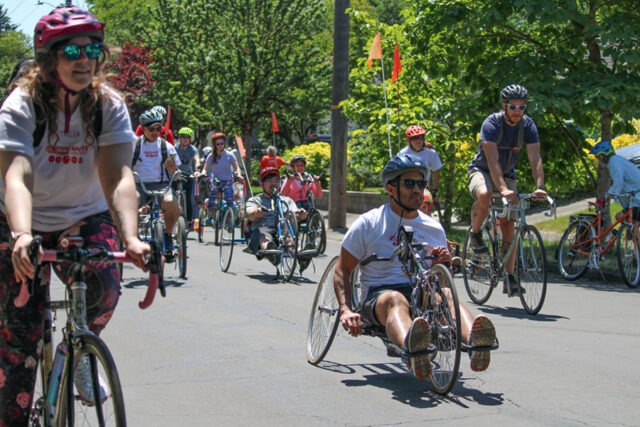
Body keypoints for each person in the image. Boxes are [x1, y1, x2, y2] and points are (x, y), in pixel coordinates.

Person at [0, 7, 149, 424]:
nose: (84, 59)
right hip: (20, 218)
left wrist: (133, 239)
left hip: (82, 216)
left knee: (104, 286)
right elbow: (16, 175)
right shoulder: (21, 105)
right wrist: (22, 234)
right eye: (71, 50)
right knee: (18, 352)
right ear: (49, 57)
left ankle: (82, 350)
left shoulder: (108, 105)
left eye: (92, 49)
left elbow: (119, 176)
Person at [333, 153, 497, 381]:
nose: (418, 190)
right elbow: (343, 270)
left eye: (422, 184)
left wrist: (441, 266)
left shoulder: (433, 228)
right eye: (409, 183)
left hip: (421, 293)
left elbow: (438, 282)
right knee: (395, 300)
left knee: (446, 294)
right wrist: (346, 309)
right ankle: (414, 350)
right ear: (391, 188)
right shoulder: (369, 223)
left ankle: (476, 343)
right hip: (380, 296)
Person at [467, 84, 547, 294]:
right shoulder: (491, 124)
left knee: (509, 226)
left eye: (522, 107)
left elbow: (535, 158)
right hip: (482, 170)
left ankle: (509, 277)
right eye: (513, 107)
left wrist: (540, 186)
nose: (517, 111)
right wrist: (502, 190)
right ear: (504, 106)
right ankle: (475, 234)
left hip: (508, 175)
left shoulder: (528, 126)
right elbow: (492, 161)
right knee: (484, 194)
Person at [132, 107, 181, 262]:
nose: (155, 131)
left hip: (162, 184)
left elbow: (175, 171)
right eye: (151, 128)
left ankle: (167, 235)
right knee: (130, 203)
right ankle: (134, 236)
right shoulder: (135, 145)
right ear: (143, 129)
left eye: (158, 128)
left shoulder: (167, 146)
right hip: (140, 185)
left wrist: (172, 167)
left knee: (171, 203)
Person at [245, 167, 307, 265]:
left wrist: (301, 214)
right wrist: (257, 212)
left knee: (290, 239)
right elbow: (250, 214)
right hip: (263, 230)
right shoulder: (255, 200)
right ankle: (271, 253)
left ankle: (301, 255)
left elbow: (296, 213)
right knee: (263, 236)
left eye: (276, 180)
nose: (273, 183)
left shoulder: (286, 200)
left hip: (283, 231)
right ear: (262, 183)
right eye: (269, 181)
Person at [590, 140, 640, 226]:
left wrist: (607, 196)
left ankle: (631, 237)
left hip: (637, 199)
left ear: (601, 156)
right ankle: (632, 237)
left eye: (597, 157)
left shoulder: (614, 163)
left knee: (621, 217)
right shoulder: (617, 160)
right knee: (632, 222)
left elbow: (618, 182)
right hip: (635, 198)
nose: (598, 161)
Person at [201, 132, 243, 222]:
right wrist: (202, 173)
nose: (220, 145)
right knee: (212, 196)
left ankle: (230, 218)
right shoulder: (211, 156)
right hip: (216, 179)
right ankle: (210, 214)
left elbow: (237, 168)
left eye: (221, 143)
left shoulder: (229, 155)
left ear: (224, 143)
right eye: (217, 144)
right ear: (214, 145)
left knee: (229, 200)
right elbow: (205, 168)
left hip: (228, 180)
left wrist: (239, 175)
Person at [399, 125, 443, 201]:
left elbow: (436, 173)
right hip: (408, 187)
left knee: (425, 209)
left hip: (423, 188)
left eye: (420, 137)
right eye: (414, 138)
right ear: (409, 141)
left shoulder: (431, 153)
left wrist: (434, 190)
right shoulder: (403, 153)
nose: (418, 141)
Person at [175, 126, 201, 228]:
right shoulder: (174, 148)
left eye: (187, 137)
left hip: (189, 175)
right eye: (183, 137)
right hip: (176, 175)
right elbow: (170, 159)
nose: (185, 139)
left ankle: (191, 221)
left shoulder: (192, 149)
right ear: (180, 138)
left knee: (191, 199)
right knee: (172, 197)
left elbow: (197, 160)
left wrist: (197, 170)